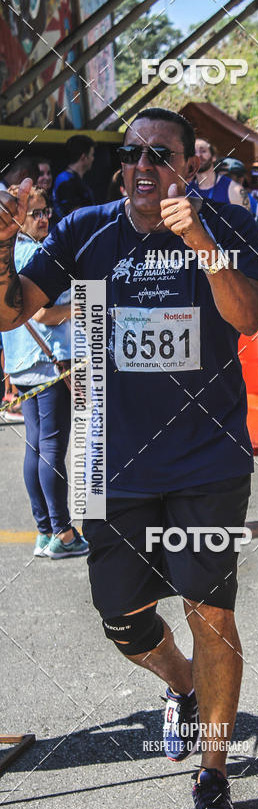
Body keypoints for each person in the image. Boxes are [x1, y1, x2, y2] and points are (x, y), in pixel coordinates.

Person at [0, 107, 258, 809]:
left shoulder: (230, 223)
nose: (144, 166)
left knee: (212, 612)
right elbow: (11, 311)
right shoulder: (84, 230)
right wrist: (4, 247)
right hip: (111, 462)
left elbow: (247, 318)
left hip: (208, 460)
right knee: (120, 616)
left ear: (190, 164)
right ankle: (182, 686)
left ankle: (213, 775)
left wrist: (200, 241)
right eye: (131, 154)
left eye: (160, 154)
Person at [1, 186, 88, 558]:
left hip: (21, 363)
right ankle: (63, 533)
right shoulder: (37, 255)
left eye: (46, 211)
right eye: (34, 213)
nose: (44, 219)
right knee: (51, 447)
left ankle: (44, 531)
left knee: (36, 447)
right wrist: (80, 306)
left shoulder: (8, 256)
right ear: (17, 218)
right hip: (49, 361)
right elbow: (42, 314)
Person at [187, 137, 251, 211]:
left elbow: (245, 217)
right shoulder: (186, 189)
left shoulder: (234, 190)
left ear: (213, 157)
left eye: (203, 151)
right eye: (194, 152)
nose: (198, 155)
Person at [52, 134, 96, 221]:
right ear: (83, 157)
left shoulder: (75, 179)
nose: (93, 159)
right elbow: (75, 216)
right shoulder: (66, 180)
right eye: (92, 155)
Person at [216, 157, 258, 227]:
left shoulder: (250, 201)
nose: (220, 179)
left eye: (226, 176)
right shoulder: (212, 195)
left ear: (241, 178)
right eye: (218, 176)